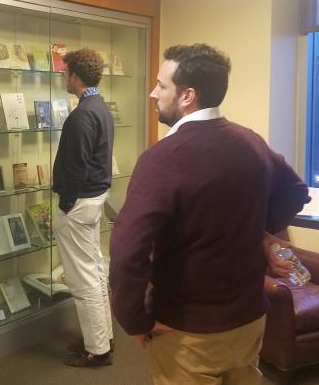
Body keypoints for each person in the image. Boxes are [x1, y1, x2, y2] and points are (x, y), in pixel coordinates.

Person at [109, 43, 310, 384]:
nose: (152, 93)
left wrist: (135, 321)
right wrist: (261, 232)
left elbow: (127, 251)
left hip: (188, 332)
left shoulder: (162, 159)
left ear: (187, 96)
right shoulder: (252, 142)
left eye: (161, 85)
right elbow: (295, 192)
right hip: (250, 321)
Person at [52, 48, 114, 367]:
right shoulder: (99, 107)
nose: (64, 77)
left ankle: (98, 350)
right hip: (94, 200)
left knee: (82, 278)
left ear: (74, 76)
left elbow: (76, 167)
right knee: (96, 269)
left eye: (65, 73)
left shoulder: (82, 114)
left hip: (77, 204)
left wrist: (64, 204)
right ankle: (103, 337)